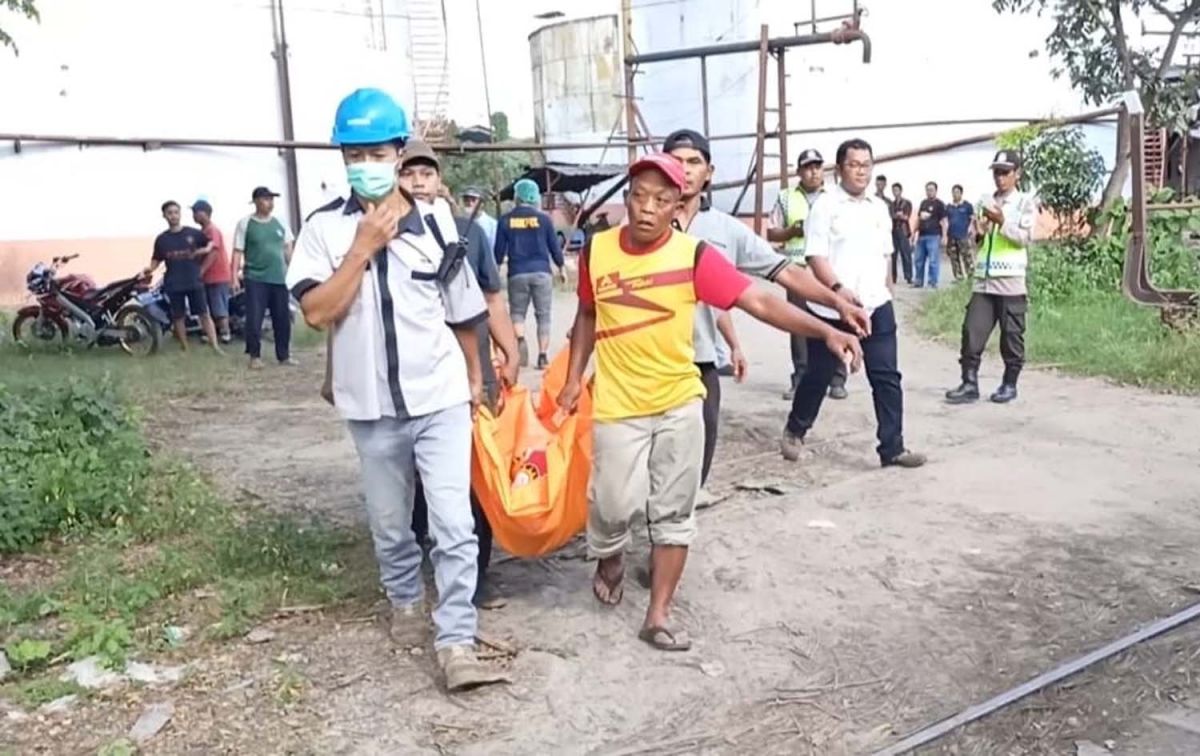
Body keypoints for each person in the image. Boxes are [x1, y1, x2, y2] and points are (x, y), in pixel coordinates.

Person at [557, 152, 863, 651]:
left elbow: (760, 300)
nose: (647, 209)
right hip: (618, 404)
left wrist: (826, 330)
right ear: (626, 200)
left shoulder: (693, 255)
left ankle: (658, 614)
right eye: (638, 197)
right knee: (613, 504)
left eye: (660, 199)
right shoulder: (597, 252)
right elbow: (588, 315)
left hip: (680, 401)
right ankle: (610, 553)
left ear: (678, 204)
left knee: (675, 513)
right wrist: (574, 378)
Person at [285, 87, 506, 692]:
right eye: (353, 151)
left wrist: (479, 379)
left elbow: (463, 310)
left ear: (396, 150)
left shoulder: (438, 223)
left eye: (376, 150)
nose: (365, 161)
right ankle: (405, 598)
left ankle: (457, 638)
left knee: (454, 522)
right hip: (372, 407)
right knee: (389, 523)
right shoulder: (324, 231)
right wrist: (362, 248)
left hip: (438, 398)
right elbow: (316, 312)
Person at [664, 129, 869, 490]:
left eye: (694, 162)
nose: (685, 171)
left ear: (709, 172)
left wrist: (836, 304)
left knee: (691, 480)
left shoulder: (726, 231)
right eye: (676, 162)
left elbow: (780, 277)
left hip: (699, 364)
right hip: (644, 367)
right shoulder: (641, 225)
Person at [397, 139, 522, 607]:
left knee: (475, 475)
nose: (418, 182)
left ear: (439, 181)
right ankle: (416, 569)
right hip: (412, 376)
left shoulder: (467, 233)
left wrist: (510, 351)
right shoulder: (382, 233)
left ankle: (474, 575)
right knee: (414, 479)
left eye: (426, 174)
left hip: (471, 373)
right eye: (409, 174)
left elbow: (491, 298)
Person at [780, 139, 927, 470]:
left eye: (866, 165)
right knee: (819, 375)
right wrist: (836, 289)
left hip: (876, 305)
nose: (861, 171)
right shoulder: (826, 206)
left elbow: (886, 256)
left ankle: (892, 447)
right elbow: (815, 255)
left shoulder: (878, 207)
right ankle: (795, 429)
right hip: (833, 308)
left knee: (886, 377)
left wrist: (888, 292)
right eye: (854, 164)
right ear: (839, 168)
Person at [945, 150, 1036, 405]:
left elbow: (1025, 238)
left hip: (1010, 282)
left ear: (1017, 174)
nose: (1000, 178)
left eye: (1005, 172)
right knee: (971, 332)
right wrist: (981, 232)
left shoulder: (1025, 203)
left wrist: (1002, 221)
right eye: (996, 172)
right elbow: (977, 239)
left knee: (1011, 337)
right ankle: (969, 383)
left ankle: (1009, 384)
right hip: (984, 282)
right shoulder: (984, 201)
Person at [768, 147, 852, 402]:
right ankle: (801, 377)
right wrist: (791, 232)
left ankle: (838, 377)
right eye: (808, 167)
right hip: (797, 271)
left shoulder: (838, 198)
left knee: (836, 320)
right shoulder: (786, 197)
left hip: (830, 272)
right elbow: (772, 233)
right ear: (800, 172)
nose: (814, 172)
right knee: (798, 325)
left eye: (817, 167)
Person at [494, 178, 566, 369]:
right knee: (543, 315)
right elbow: (554, 247)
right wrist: (561, 267)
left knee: (517, 312)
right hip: (542, 272)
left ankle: (520, 341)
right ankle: (542, 356)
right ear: (535, 197)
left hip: (517, 272)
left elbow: (498, 252)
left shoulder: (506, 220)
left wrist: (496, 268)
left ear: (517, 197)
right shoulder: (544, 220)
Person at [145, 201, 222, 353]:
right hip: (174, 282)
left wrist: (204, 250)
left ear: (180, 214)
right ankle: (185, 347)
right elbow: (156, 259)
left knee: (204, 314)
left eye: (176, 212)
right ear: (164, 216)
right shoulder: (162, 239)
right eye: (170, 213)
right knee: (178, 316)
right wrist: (149, 269)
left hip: (194, 280)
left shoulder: (193, 233)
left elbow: (211, 244)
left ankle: (215, 346)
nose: (173, 216)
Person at [232, 187, 296, 369]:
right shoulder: (245, 223)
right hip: (255, 277)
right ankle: (255, 356)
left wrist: (294, 272)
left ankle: (284, 355)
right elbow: (237, 251)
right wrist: (234, 277)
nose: (270, 203)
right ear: (257, 201)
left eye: (271, 199)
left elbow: (288, 249)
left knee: (282, 317)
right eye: (266, 199)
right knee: (255, 317)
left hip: (279, 278)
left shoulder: (280, 222)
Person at [192, 200, 233, 344]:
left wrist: (201, 270)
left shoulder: (212, 230)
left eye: (195, 212)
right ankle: (211, 333)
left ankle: (225, 333)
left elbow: (213, 253)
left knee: (218, 306)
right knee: (209, 305)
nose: (194, 216)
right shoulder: (203, 231)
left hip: (217, 275)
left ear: (204, 213)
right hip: (209, 278)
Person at [912, 181, 948, 289]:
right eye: (927, 190)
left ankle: (932, 282)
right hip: (922, 235)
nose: (929, 192)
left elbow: (944, 221)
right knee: (918, 260)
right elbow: (918, 219)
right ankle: (918, 281)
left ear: (936, 191)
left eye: (931, 190)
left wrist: (945, 236)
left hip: (934, 236)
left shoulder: (940, 204)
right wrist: (914, 233)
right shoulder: (923, 203)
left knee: (933, 260)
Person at [945, 184, 976, 282]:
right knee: (954, 258)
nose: (955, 194)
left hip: (963, 235)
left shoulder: (967, 205)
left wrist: (971, 228)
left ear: (961, 193)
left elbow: (972, 219)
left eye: (957, 192)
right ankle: (959, 277)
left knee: (967, 257)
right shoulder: (949, 207)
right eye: (953, 192)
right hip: (952, 235)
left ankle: (971, 276)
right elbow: (945, 220)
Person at [890, 183, 914, 285]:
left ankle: (908, 277)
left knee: (906, 254)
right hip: (894, 231)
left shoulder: (907, 203)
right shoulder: (892, 204)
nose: (895, 192)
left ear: (900, 191)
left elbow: (906, 217)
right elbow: (891, 216)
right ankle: (893, 277)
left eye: (897, 190)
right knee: (893, 255)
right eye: (893, 190)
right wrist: (898, 215)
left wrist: (899, 216)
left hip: (903, 231)